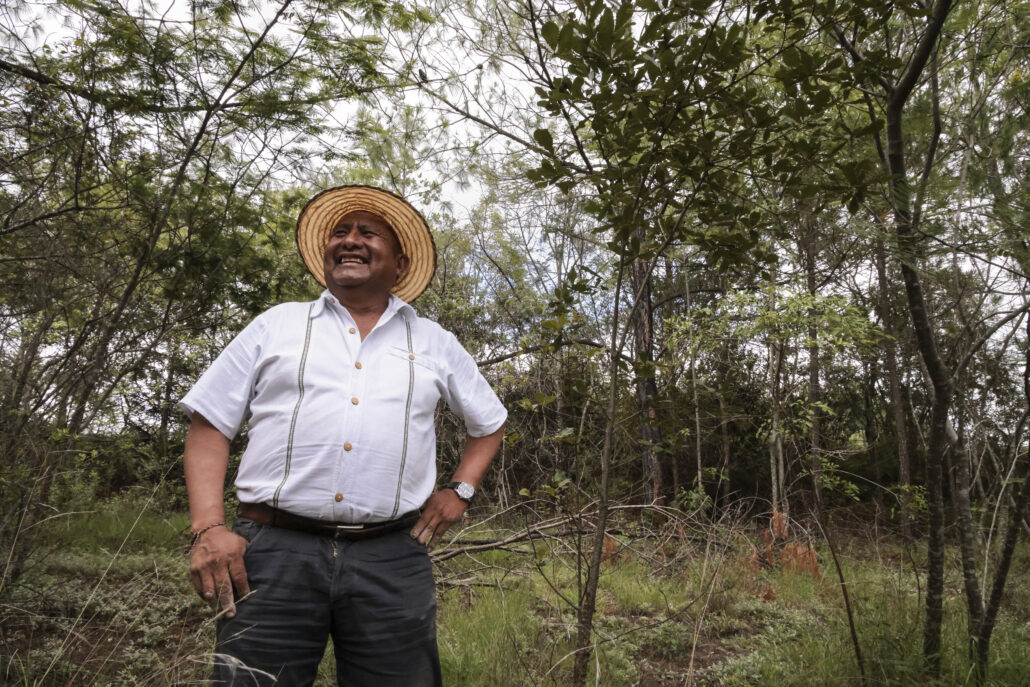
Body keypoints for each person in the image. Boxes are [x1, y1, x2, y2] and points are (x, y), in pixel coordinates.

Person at [180, 185, 506, 686]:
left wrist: (460, 490)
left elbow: (489, 423)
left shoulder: (435, 342)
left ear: (399, 263)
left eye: (367, 232)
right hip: (270, 552)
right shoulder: (276, 325)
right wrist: (207, 528)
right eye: (340, 231)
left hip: (392, 556)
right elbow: (210, 424)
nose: (350, 240)